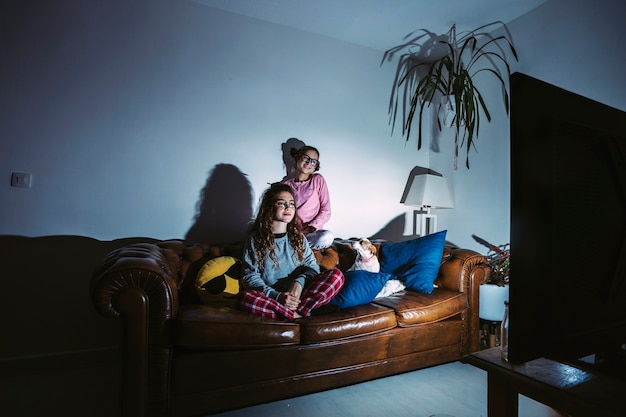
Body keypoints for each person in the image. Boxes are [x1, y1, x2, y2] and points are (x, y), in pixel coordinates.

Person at [239, 183, 344, 320]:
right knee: (245, 298)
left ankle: (296, 312)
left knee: (336, 275)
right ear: (269, 207)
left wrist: (299, 282)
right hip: (272, 297)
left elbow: (312, 266)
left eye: (292, 204)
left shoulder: (299, 238)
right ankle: (299, 314)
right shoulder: (255, 239)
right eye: (282, 203)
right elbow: (250, 276)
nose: (288, 207)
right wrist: (277, 296)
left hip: (301, 295)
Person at [282, 145, 334, 249]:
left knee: (327, 237)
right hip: (292, 231)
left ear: (316, 166)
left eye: (313, 161)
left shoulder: (318, 180)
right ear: (297, 158)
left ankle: (294, 247)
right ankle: (292, 245)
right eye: (306, 158)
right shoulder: (286, 185)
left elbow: (326, 210)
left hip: (312, 233)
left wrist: (310, 228)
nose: (308, 163)